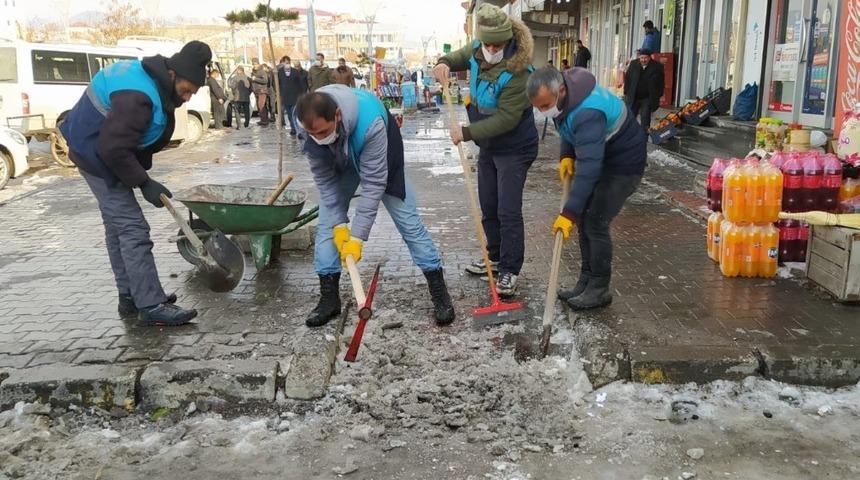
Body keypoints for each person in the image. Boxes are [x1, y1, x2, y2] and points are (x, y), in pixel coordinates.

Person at [58, 41, 212, 326]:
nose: (188, 98)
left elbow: (125, 142)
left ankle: (130, 296)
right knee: (133, 228)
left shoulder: (153, 80)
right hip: (96, 157)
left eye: (193, 92)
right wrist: (143, 183)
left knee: (118, 228)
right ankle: (151, 305)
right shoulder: (138, 97)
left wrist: (141, 177)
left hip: (97, 150)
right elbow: (113, 149)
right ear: (173, 74)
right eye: (187, 90)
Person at [294, 85, 456, 327]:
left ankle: (439, 290)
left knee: (408, 222)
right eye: (314, 134)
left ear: (337, 115)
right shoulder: (306, 127)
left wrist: (357, 238)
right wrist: (340, 224)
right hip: (341, 161)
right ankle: (329, 299)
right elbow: (324, 181)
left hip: (381, 160)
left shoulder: (370, 123)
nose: (319, 138)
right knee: (327, 224)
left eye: (324, 131)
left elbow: (373, 184)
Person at [433, 3, 537, 297]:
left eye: (497, 44)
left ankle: (509, 270)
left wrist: (466, 133)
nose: (490, 49)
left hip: (515, 147)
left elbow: (506, 120)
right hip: (489, 145)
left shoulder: (519, 71)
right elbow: (460, 56)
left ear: (507, 40)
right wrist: (444, 62)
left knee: (507, 209)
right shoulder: (479, 46)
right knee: (489, 204)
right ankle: (494, 257)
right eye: (487, 43)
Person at [526, 66, 646, 310]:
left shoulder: (588, 112)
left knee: (595, 221)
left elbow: (589, 169)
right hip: (604, 157)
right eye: (537, 107)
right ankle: (586, 281)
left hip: (624, 166)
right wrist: (566, 155)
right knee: (585, 219)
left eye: (545, 105)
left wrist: (568, 213)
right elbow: (567, 127)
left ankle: (599, 288)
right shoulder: (565, 96)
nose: (542, 112)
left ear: (560, 90)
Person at [623, 49, 664, 132]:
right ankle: (629, 135)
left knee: (645, 117)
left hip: (647, 97)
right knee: (630, 116)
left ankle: (643, 136)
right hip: (634, 96)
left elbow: (661, 82)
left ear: (650, 57)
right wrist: (626, 92)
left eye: (645, 58)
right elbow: (627, 78)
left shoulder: (657, 66)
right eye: (641, 58)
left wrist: (658, 94)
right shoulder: (634, 64)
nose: (643, 60)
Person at [278, 56, 304, 136]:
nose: (287, 64)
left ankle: (297, 129)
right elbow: (277, 84)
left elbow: (300, 84)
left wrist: (301, 94)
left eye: (288, 62)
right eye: (285, 62)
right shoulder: (279, 72)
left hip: (294, 96)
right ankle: (293, 128)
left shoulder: (295, 72)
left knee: (294, 114)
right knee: (289, 114)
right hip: (285, 96)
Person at [251, 58, 270, 126]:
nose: (254, 65)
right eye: (253, 64)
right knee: (260, 106)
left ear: (258, 64)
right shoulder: (253, 72)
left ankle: (264, 121)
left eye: (255, 64)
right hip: (256, 91)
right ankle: (263, 119)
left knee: (261, 105)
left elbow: (265, 80)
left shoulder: (262, 71)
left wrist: (255, 79)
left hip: (262, 91)